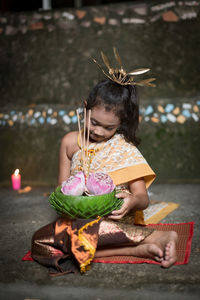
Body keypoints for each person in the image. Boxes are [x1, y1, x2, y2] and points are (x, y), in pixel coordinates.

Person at [31, 78, 177, 276]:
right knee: (40, 242)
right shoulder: (69, 142)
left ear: (120, 123)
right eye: (94, 122)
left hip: (111, 222)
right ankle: (138, 248)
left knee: (87, 235)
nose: (98, 131)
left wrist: (132, 201)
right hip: (76, 220)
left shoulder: (124, 148)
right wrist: (75, 202)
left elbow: (143, 199)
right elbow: (61, 189)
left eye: (109, 128)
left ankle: (161, 237)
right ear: (85, 108)